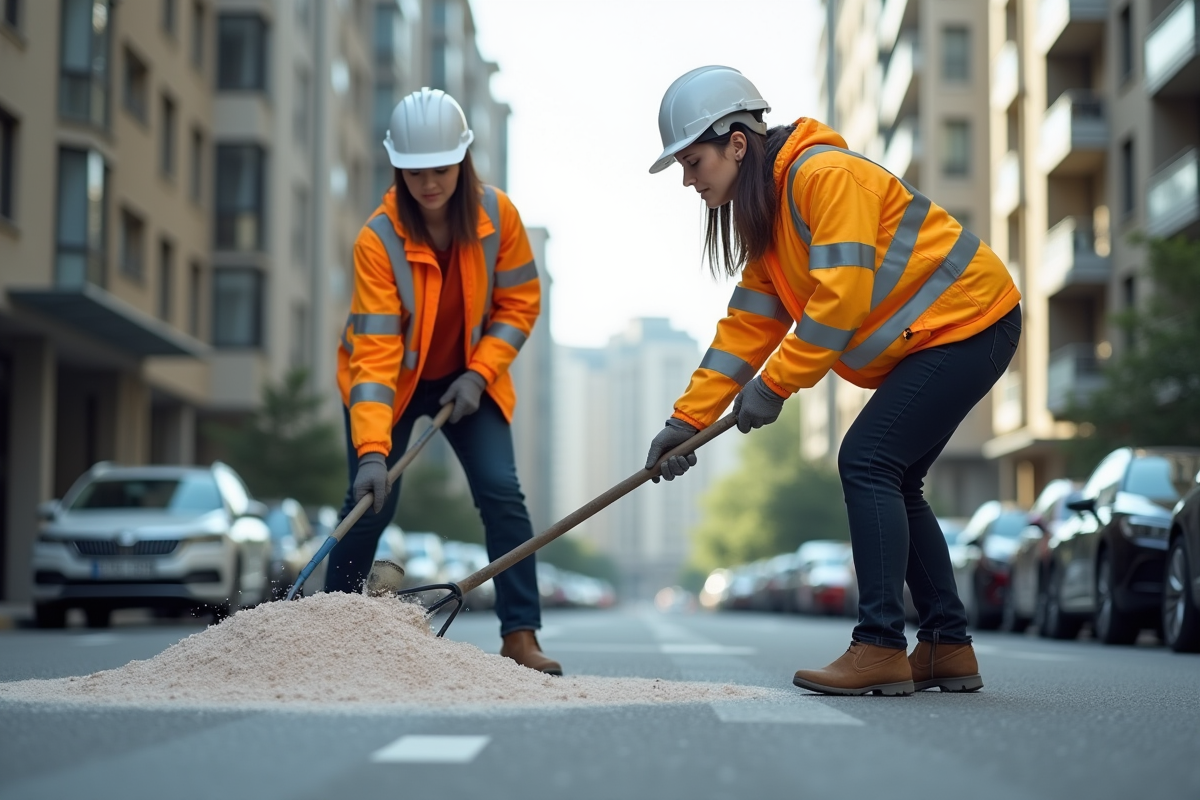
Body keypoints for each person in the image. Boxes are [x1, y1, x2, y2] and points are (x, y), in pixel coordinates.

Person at [643, 66, 1021, 696]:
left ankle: (878, 646)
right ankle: (946, 645)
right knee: (895, 475)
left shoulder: (825, 177)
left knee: (867, 459)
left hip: (971, 322)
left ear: (737, 142)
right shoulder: (769, 221)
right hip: (939, 336)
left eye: (693, 161)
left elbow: (841, 298)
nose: (687, 179)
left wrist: (775, 387)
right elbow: (745, 329)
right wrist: (685, 422)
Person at [327, 88, 560, 676]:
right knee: (371, 500)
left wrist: (479, 374)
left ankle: (521, 635)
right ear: (396, 168)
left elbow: (519, 303)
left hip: (469, 381)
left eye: (440, 168)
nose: (428, 182)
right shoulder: (377, 241)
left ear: (463, 160)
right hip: (393, 387)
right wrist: (373, 453)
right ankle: (328, 631)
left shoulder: (498, 218)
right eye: (413, 171)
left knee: (500, 491)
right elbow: (376, 357)